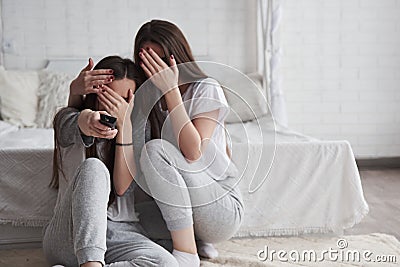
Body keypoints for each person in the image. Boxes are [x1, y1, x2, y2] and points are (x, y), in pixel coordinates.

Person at [42, 55, 178, 267]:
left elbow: (122, 188)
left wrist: (125, 128)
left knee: (167, 263)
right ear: (96, 95)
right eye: (108, 97)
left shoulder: (139, 130)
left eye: (124, 101)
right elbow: (82, 120)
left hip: (119, 234)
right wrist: (87, 118)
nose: (114, 108)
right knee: (94, 167)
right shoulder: (68, 119)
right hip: (68, 234)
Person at [131, 20, 244, 267]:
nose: (156, 69)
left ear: (176, 56)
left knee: (156, 150)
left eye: (161, 59)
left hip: (220, 206)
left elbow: (193, 152)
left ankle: (187, 253)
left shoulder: (206, 88)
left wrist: (171, 91)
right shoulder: (147, 99)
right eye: (149, 60)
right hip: (181, 208)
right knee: (125, 221)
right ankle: (189, 238)